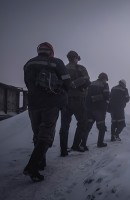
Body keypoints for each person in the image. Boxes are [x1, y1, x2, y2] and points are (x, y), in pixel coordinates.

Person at [23, 42, 71, 182]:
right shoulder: (56, 62)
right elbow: (67, 82)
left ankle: (40, 163)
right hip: (51, 104)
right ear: (51, 52)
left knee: (37, 133)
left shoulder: (29, 63)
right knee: (46, 134)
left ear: (39, 51)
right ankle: (32, 167)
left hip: (33, 104)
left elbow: (27, 82)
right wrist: (61, 94)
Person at [59, 50, 90, 156]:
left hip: (64, 100)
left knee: (64, 125)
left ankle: (63, 150)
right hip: (78, 99)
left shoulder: (63, 68)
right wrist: (75, 84)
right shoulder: (81, 68)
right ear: (76, 58)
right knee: (83, 122)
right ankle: (76, 145)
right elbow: (87, 79)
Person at [83, 72, 110, 148]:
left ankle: (83, 144)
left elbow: (86, 96)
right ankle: (100, 143)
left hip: (89, 109)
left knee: (88, 126)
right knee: (102, 127)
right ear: (104, 78)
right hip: (99, 110)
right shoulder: (105, 85)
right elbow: (106, 96)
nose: (106, 81)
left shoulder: (91, 84)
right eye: (106, 79)